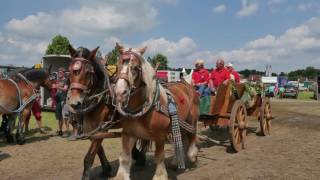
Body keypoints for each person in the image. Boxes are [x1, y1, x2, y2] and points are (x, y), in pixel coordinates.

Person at [55, 67, 69, 136]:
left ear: (63, 73)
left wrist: (58, 87)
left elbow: (65, 89)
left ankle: (66, 131)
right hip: (58, 100)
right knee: (59, 116)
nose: (59, 73)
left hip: (64, 100)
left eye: (60, 72)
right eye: (58, 72)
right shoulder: (57, 80)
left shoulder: (66, 80)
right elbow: (56, 89)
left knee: (65, 116)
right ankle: (60, 130)